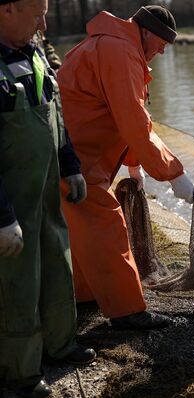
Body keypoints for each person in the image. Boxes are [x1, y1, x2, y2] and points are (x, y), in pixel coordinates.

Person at [56, 5, 194, 330]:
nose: (162, 50)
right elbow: (133, 118)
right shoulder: (120, 50)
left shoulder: (115, 44)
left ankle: (86, 295)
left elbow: (119, 114)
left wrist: (134, 163)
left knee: (82, 230)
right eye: (161, 42)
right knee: (108, 226)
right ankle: (127, 311)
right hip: (76, 158)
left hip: (73, 154)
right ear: (145, 31)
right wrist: (173, 173)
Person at [0, 0, 96, 396]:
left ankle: (60, 345)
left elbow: (55, 114)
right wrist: (2, 217)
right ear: (6, 10)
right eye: (36, 14)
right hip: (11, 203)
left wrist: (70, 163)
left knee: (58, 260)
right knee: (17, 282)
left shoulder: (34, 51)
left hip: (46, 193)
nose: (45, 23)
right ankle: (20, 373)